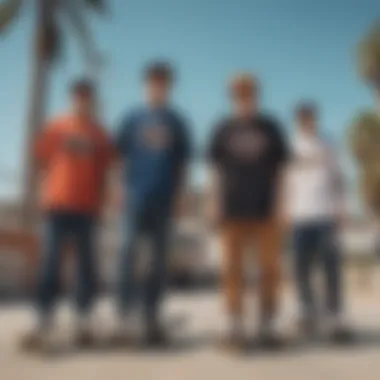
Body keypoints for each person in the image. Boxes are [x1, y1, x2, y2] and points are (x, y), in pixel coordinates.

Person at [21, 79, 114, 351]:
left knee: (86, 266)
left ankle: (83, 321)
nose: (82, 100)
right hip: (57, 206)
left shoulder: (99, 134)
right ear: (72, 98)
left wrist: (104, 203)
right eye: (78, 95)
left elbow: (106, 171)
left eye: (87, 96)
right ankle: (43, 320)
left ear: (91, 100)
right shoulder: (57, 126)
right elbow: (40, 161)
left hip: (87, 209)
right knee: (50, 264)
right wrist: (41, 193)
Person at [207, 73, 288, 350]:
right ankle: (234, 323)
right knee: (232, 269)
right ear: (232, 96)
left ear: (256, 95)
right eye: (239, 93)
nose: (244, 98)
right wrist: (213, 203)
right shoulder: (222, 128)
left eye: (249, 93)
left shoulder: (271, 127)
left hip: (265, 210)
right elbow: (214, 171)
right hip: (231, 210)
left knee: (269, 269)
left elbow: (281, 172)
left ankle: (267, 322)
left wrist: (281, 206)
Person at [114, 61, 192, 345]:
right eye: (153, 81)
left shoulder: (177, 121)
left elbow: (183, 164)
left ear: (169, 87)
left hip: (165, 200)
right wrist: (119, 190)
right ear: (145, 85)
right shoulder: (132, 118)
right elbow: (120, 158)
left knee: (158, 262)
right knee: (127, 255)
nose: (158, 86)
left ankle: (151, 316)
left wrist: (181, 197)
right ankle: (124, 316)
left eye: (163, 82)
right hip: (135, 198)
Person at [284, 102, 351, 341]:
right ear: (297, 121)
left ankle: (335, 316)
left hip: (325, 215)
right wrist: (284, 212)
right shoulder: (290, 147)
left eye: (310, 117)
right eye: (302, 118)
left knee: (330, 267)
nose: (307, 122)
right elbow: (285, 182)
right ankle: (307, 311)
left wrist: (342, 209)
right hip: (299, 217)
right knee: (300, 268)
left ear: (316, 119)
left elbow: (339, 179)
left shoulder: (328, 144)